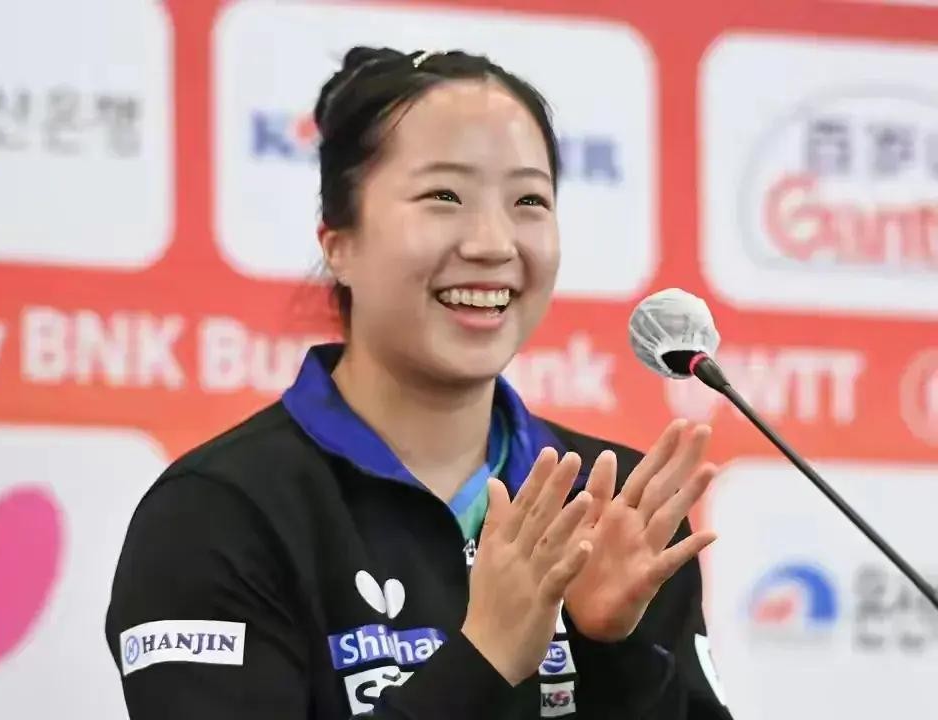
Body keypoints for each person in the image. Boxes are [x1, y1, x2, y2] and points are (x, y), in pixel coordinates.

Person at [104, 46, 733, 720]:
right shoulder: (219, 512)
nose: (493, 243)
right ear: (339, 244)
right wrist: (483, 658)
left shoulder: (612, 508)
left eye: (528, 200)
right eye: (444, 197)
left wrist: (616, 652)